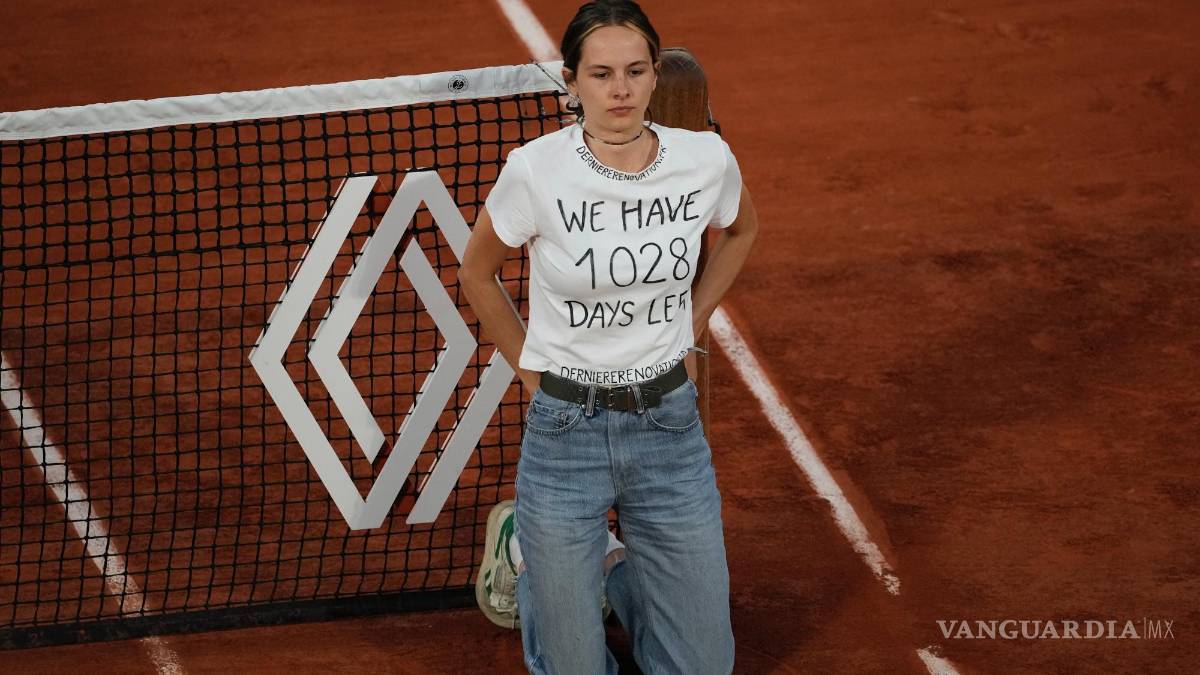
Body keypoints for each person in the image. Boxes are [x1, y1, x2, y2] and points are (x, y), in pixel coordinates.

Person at [458, 1, 758, 672]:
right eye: (600, 74)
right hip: (565, 440)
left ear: (656, 76)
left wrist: (692, 320)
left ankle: (611, 558)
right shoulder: (535, 170)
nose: (619, 89)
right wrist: (531, 368)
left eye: (633, 70)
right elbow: (478, 273)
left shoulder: (704, 159)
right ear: (572, 83)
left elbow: (742, 230)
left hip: (669, 434)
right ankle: (527, 545)